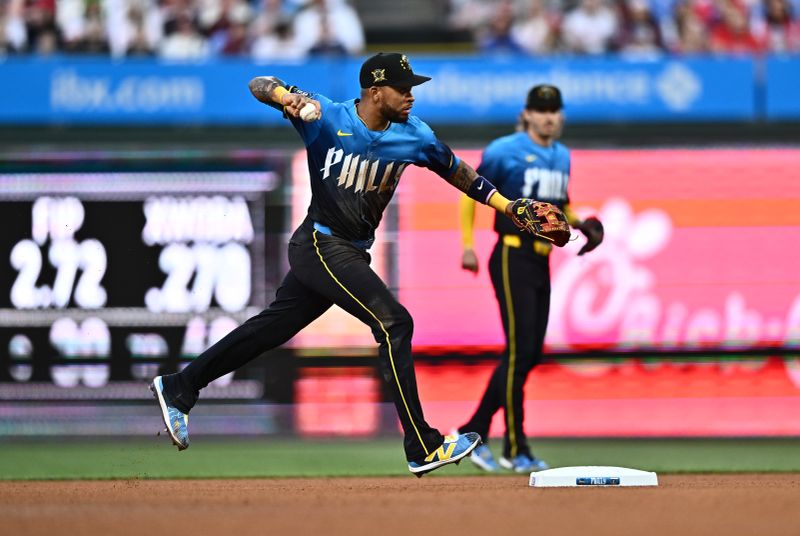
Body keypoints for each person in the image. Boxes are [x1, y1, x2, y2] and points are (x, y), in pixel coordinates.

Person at [150, 52, 561, 477]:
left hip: (350, 250)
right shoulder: (325, 116)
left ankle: (180, 387)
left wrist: (507, 205)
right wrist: (283, 98)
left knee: (268, 330)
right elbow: (258, 82)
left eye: (412, 88)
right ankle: (422, 444)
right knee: (394, 322)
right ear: (375, 90)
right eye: (403, 88)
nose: (410, 96)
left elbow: (459, 172)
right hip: (320, 243)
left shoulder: (414, 135)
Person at [454, 84, 604, 473]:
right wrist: (468, 245)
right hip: (510, 254)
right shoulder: (504, 150)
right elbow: (469, 191)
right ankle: (516, 448)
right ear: (527, 114)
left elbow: (560, 205)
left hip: (541, 260)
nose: (549, 116)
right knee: (520, 352)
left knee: (528, 354)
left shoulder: (562, 156)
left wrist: (582, 224)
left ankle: (473, 430)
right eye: (541, 109)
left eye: (554, 109)